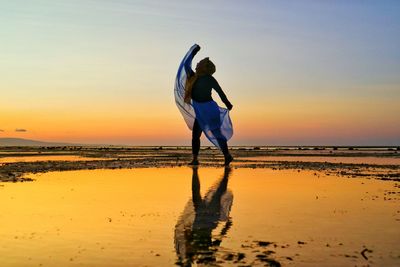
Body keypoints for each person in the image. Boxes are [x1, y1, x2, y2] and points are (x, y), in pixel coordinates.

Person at [175, 44, 234, 166]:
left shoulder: (209, 79)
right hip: (201, 112)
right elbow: (186, 65)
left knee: (217, 133)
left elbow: (220, 92)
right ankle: (195, 159)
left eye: (199, 64)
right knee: (195, 135)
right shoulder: (193, 77)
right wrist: (193, 52)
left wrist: (227, 103)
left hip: (210, 110)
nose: (197, 65)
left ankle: (227, 156)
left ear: (204, 68)